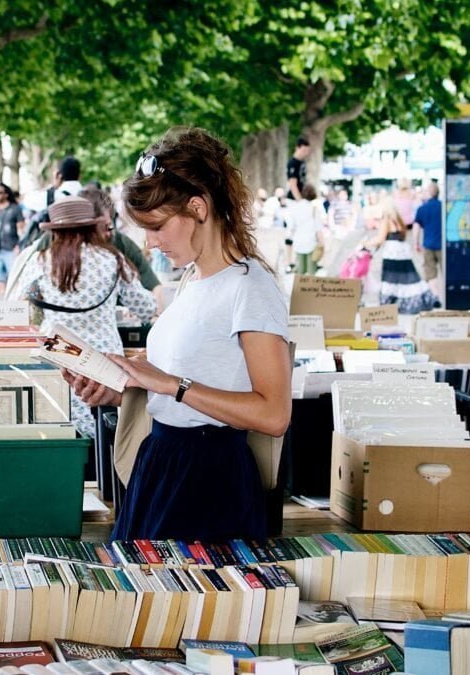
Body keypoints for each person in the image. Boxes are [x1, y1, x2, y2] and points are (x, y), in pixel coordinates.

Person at [68, 127, 291, 543]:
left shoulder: (250, 288)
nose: (150, 244)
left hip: (208, 478)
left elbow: (273, 415)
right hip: (163, 463)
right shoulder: (192, 280)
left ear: (198, 207)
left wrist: (169, 384)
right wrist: (120, 385)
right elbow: (187, 384)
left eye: (157, 226)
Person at [9, 195, 156, 438]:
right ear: (91, 227)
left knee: (62, 433)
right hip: (104, 363)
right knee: (105, 431)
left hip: (57, 359)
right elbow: (146, 306)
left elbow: (20, 308)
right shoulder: (112, 260)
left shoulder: (39, 261)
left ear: (55, 231)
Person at [30, 185, 162, 293]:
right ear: (86, 226)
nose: (109, 232)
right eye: (105, 226)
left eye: (111, 225)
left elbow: (154, 287)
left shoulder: (119, 243)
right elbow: (27, 293)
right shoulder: (50, 243)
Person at [364, 204, 439, 313]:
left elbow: (380, 238)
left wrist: (365, 243)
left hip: (392, 253)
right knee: (408, 278)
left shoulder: (387, 220)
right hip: (403, 252)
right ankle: (424, 298)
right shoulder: (398, 221)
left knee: (391, 279)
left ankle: (389, 304)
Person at [0, 182, 25, 300]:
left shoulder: (15, 209)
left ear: (6, 194)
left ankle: (13, 309)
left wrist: (19, 246)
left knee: (14, 280)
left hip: (11, 249)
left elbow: (21, 229)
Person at [284, 137, 311, 271]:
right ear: (298, 147)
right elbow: (293, 184)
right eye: (305, 150)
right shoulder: (293, 163)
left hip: (301, 200)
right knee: (291, 230)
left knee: (301, 231)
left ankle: (297, 261)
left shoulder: (302, 163)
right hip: (294, 201)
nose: (306, 153)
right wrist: (300, 201)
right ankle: (288, 262)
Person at [412, 181, 443, 300]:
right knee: (444, 271)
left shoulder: (422, 209)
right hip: (443, 246)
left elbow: (416, 228)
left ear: (430, 193)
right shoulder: (443, 207)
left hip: (428, 244)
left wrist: (416, 243)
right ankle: (445, 296)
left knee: (430, 272)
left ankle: (435, 296)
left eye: (425, 191)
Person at [288, 184, 325, 275]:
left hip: (298, 241)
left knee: (300, 269)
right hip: (311, 242)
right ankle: (310, 288)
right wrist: (322, 242)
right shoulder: (314, 209)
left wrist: (289, 239)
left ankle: (298, 287)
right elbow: (318, 228)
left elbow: (291, 226)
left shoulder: (295, 208)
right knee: (311, 270)